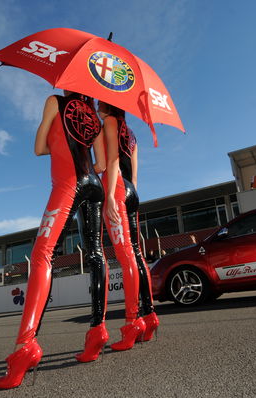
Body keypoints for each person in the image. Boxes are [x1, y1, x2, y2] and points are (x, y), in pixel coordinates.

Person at [0, 92, 108, 389]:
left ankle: (25, 346)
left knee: (43, 253)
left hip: (68, 183)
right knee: (96, 254)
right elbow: (102, 163)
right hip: (94, 184)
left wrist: (60, 145)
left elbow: (39, 148)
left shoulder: (56, 101)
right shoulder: (93, 114)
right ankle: (98, 331)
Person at [95, 101, 159, 351]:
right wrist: (129, 191)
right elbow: (133, 171)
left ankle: (132, 322)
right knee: (136, 253)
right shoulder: (130, 132)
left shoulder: (109, 123)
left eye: (100, 103)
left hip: (117, 189)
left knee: (125, 256)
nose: (97, 105)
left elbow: (108, 163)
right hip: (131, 190)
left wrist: (110, 195)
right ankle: (150, 317)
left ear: (107, 106)